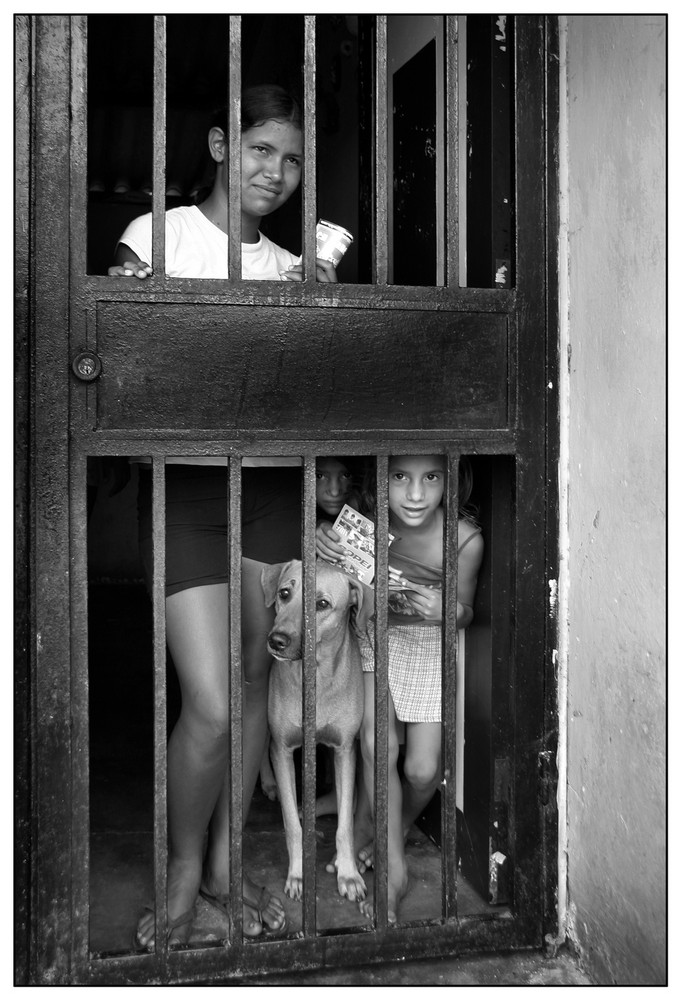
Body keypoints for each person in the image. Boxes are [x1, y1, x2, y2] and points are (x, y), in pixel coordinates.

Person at [109, 84, 338, 949]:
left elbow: (316, 396)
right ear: (216, 144)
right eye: (259, 149)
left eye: (289, 160)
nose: (274, 172)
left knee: (247, 690)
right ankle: (178, 875)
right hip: (187, 488)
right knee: (208, 701)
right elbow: (123, 351)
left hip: (273, 487)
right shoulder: (156, 237)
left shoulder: (290, 267)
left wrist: (324, 310)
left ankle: (223, 867)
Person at [317, 455, 483, 924]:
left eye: (431, 478)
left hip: (430, 644)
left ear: (451, 479)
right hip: (376, 637)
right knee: (376, 744)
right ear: (380, 479)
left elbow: (466, 611)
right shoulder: (366, 525)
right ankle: (393, 870)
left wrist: (446, 609)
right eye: (400, 477)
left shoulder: (464, 540)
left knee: (423, 771)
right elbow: (325, 565)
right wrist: (319, 540)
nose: (415, 494)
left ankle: (391, 826)